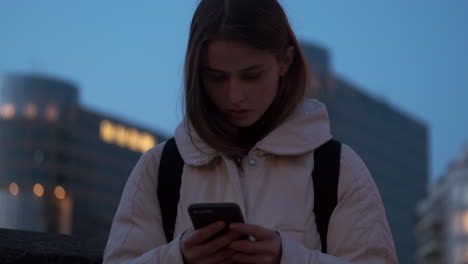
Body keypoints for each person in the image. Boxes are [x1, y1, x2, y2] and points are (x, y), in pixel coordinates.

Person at [103, 0, 398, 263]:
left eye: (252, 75)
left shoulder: (339, 168)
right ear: (197, 73)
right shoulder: (158, 168)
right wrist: (179, 257)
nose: (234, 95)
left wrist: (287, 257)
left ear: (285, 61)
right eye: (217, 77)